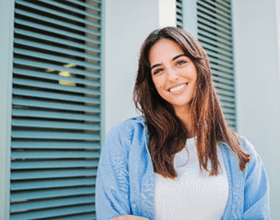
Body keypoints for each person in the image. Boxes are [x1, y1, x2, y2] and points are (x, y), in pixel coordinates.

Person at [96, 27, 271, 220]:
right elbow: (111, 216)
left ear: (199, 66)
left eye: (180, 62)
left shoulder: (242, 153)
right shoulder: (124, 140)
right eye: (158, 70)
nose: (171, 77)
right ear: (151, 82)